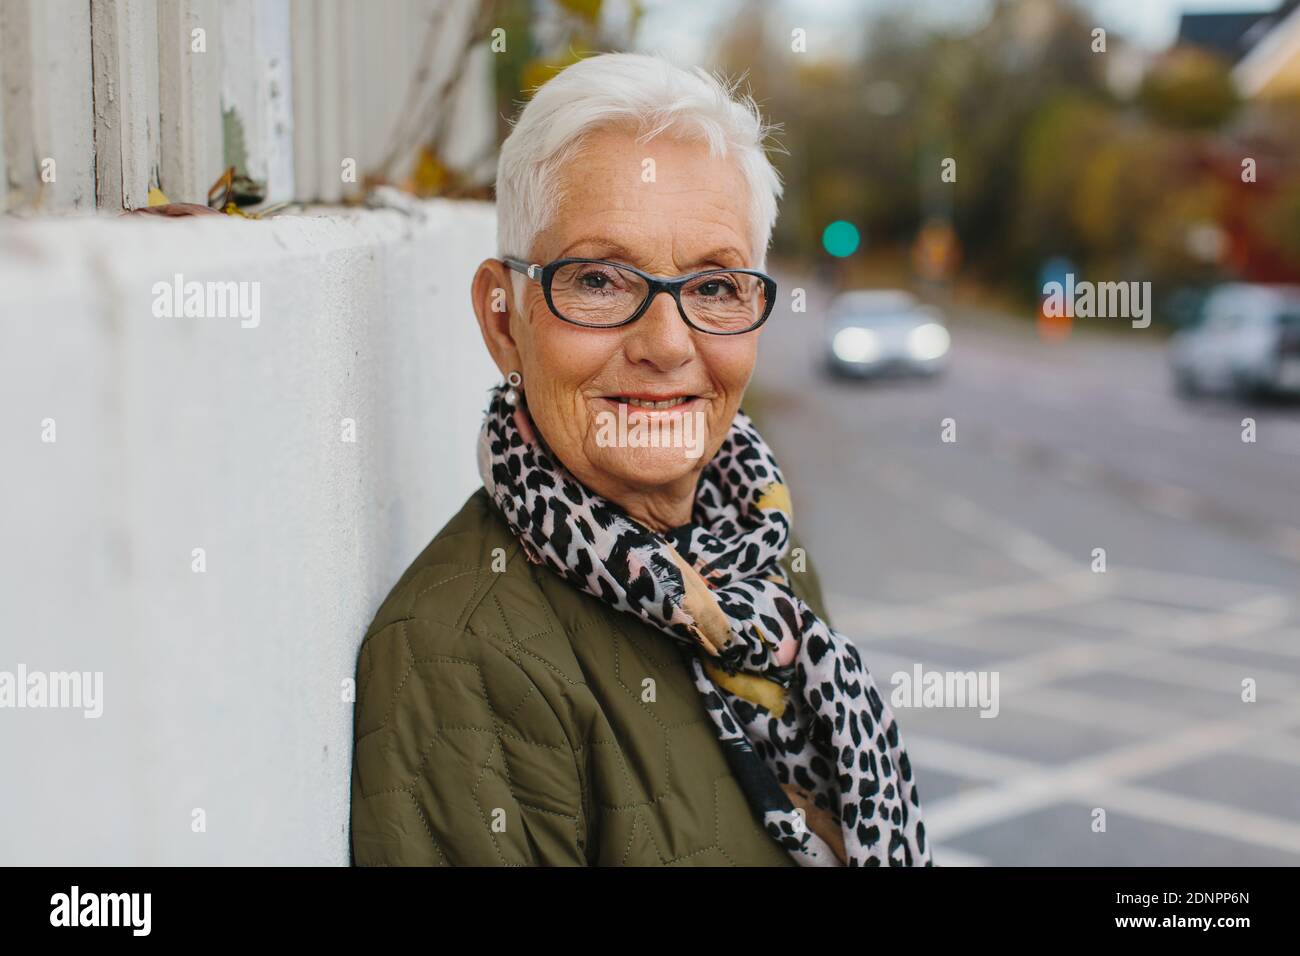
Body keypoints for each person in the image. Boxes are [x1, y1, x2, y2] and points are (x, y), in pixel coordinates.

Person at [350, 51, 930, 867]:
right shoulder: (465, 661)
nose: (666, 345)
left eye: (717, 287)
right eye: (599, 280)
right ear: (503, 319)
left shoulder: (760, 550)